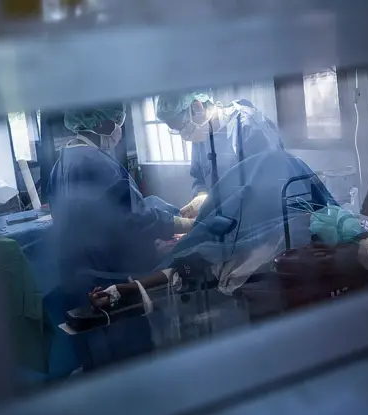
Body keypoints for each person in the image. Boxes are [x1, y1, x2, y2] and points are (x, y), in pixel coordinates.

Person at [46, 105, 195, 370]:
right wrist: (179, 224)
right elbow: (134, 219)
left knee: (98, 364)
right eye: (117, 123)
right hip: (108, 281)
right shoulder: (99, 164)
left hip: (76, 278)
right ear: (102, 125)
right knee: (130, 362)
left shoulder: (63, 163)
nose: (118, 131)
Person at [156, 91, 284, 218]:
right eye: (177, 130)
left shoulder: (247, 124)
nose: (184, 135)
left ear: (197, 107)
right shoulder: (200, 132)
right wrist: (201, 197)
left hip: (259, 217)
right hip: (225, 220)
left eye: (183, 126)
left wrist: (231, 202)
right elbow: (198, 176)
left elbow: (271, 180)